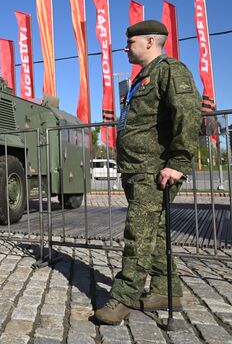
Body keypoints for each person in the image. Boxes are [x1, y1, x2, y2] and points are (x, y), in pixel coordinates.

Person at [93, 20, 201, 325]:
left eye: (131, 42)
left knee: (137, 234)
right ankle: (167, 290)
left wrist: (178, 163)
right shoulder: (143, 77)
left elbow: (188, 115)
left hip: (155, 170)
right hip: (137, 168)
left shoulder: (170, 70)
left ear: (150, 42)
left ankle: (123, 297)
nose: (126, 48)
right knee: (154, 232)